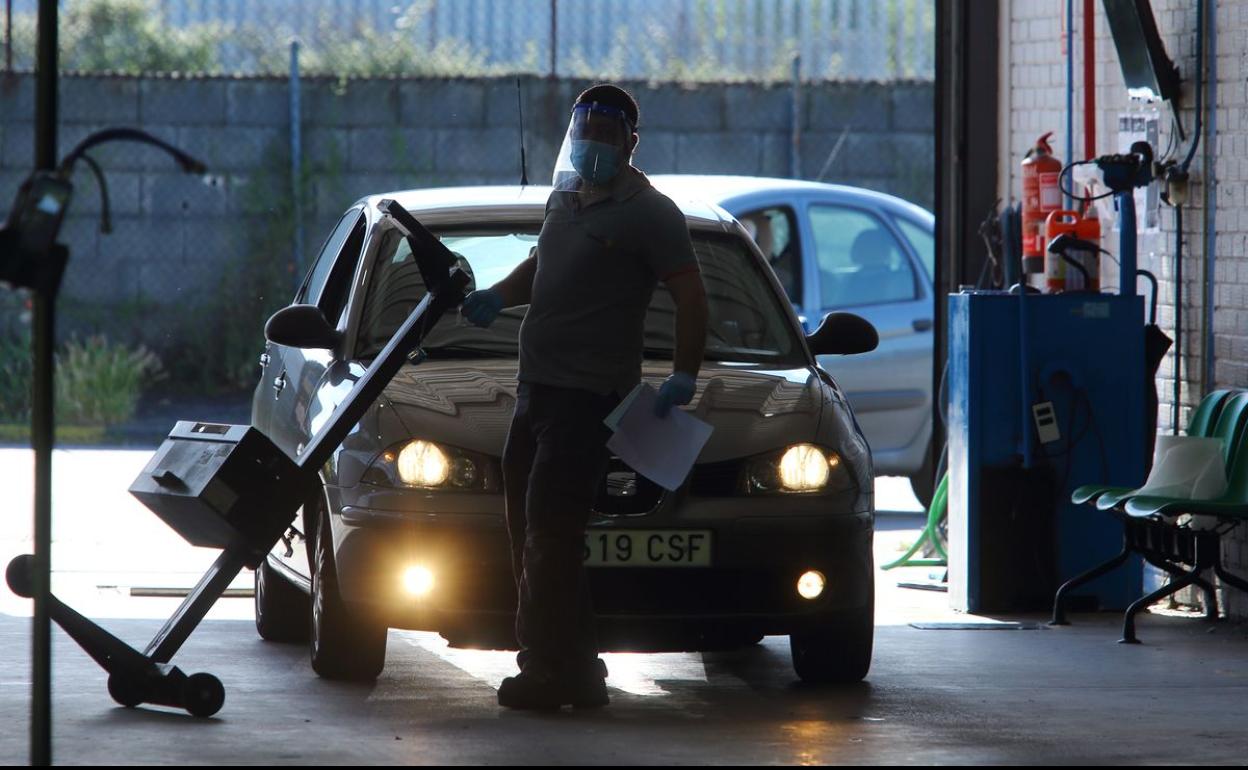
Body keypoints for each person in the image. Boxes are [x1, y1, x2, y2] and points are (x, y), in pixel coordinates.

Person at [460, 84, 709, 709]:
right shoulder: (565, 197)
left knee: (549, 534)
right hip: (536, 391)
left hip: (588, 398)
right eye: (585, 127)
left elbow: (691, 295)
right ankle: (580, 669)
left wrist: (685, 372)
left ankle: (543, 671)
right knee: (536, 535)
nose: (593, 140)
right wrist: (500, 294)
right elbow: (542, 267)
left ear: (630, 141)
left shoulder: (651, 214)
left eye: (607, 130)